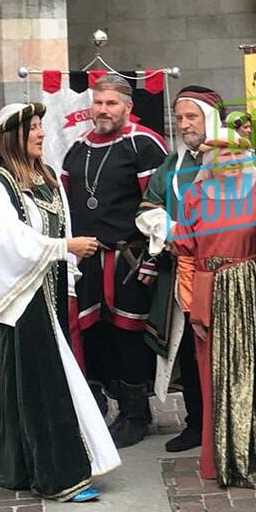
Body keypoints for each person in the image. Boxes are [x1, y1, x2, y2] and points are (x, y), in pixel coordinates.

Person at [0, 103, 120, 501]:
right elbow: (8, 242)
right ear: (12, 135)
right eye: (32, 128)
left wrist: (66, 265)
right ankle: (57, 476)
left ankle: (33, 462)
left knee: (48, 379)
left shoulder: (48, 178)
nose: (40, 133)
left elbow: (58, 223)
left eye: (39, 126)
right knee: (41, 383)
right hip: (20, 296)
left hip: (46, 290)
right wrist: (64, 247)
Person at [63, 75, 167, 448]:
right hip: (87, 259)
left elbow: (158, 205)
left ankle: (136, 413)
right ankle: (102, 407)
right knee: (95, 334)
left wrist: (153, 259)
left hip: (128, 259)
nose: (103, 110)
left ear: (128, 107)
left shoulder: (143, 145)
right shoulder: (77, 148)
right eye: (98, 103)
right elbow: (67, 202)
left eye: (111, 104)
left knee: (129, 335)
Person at [169, 131, 256, 485]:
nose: (227, 160)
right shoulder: (194, 196)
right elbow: (185, 255)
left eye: (234, 154)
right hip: (209, 293)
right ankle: (222, 459)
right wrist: (194, 306)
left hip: (252, 290)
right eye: (220, 154)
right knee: (213, 376)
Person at [136, 86, 223, 452]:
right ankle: (197, 422)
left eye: (192, 117)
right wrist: (170, 230)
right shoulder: (171, 166)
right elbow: (147, 208)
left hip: (228, 270)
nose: (184, 125)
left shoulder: (234, 156)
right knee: (189, 347)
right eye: (180, 118)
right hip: (185, 272)